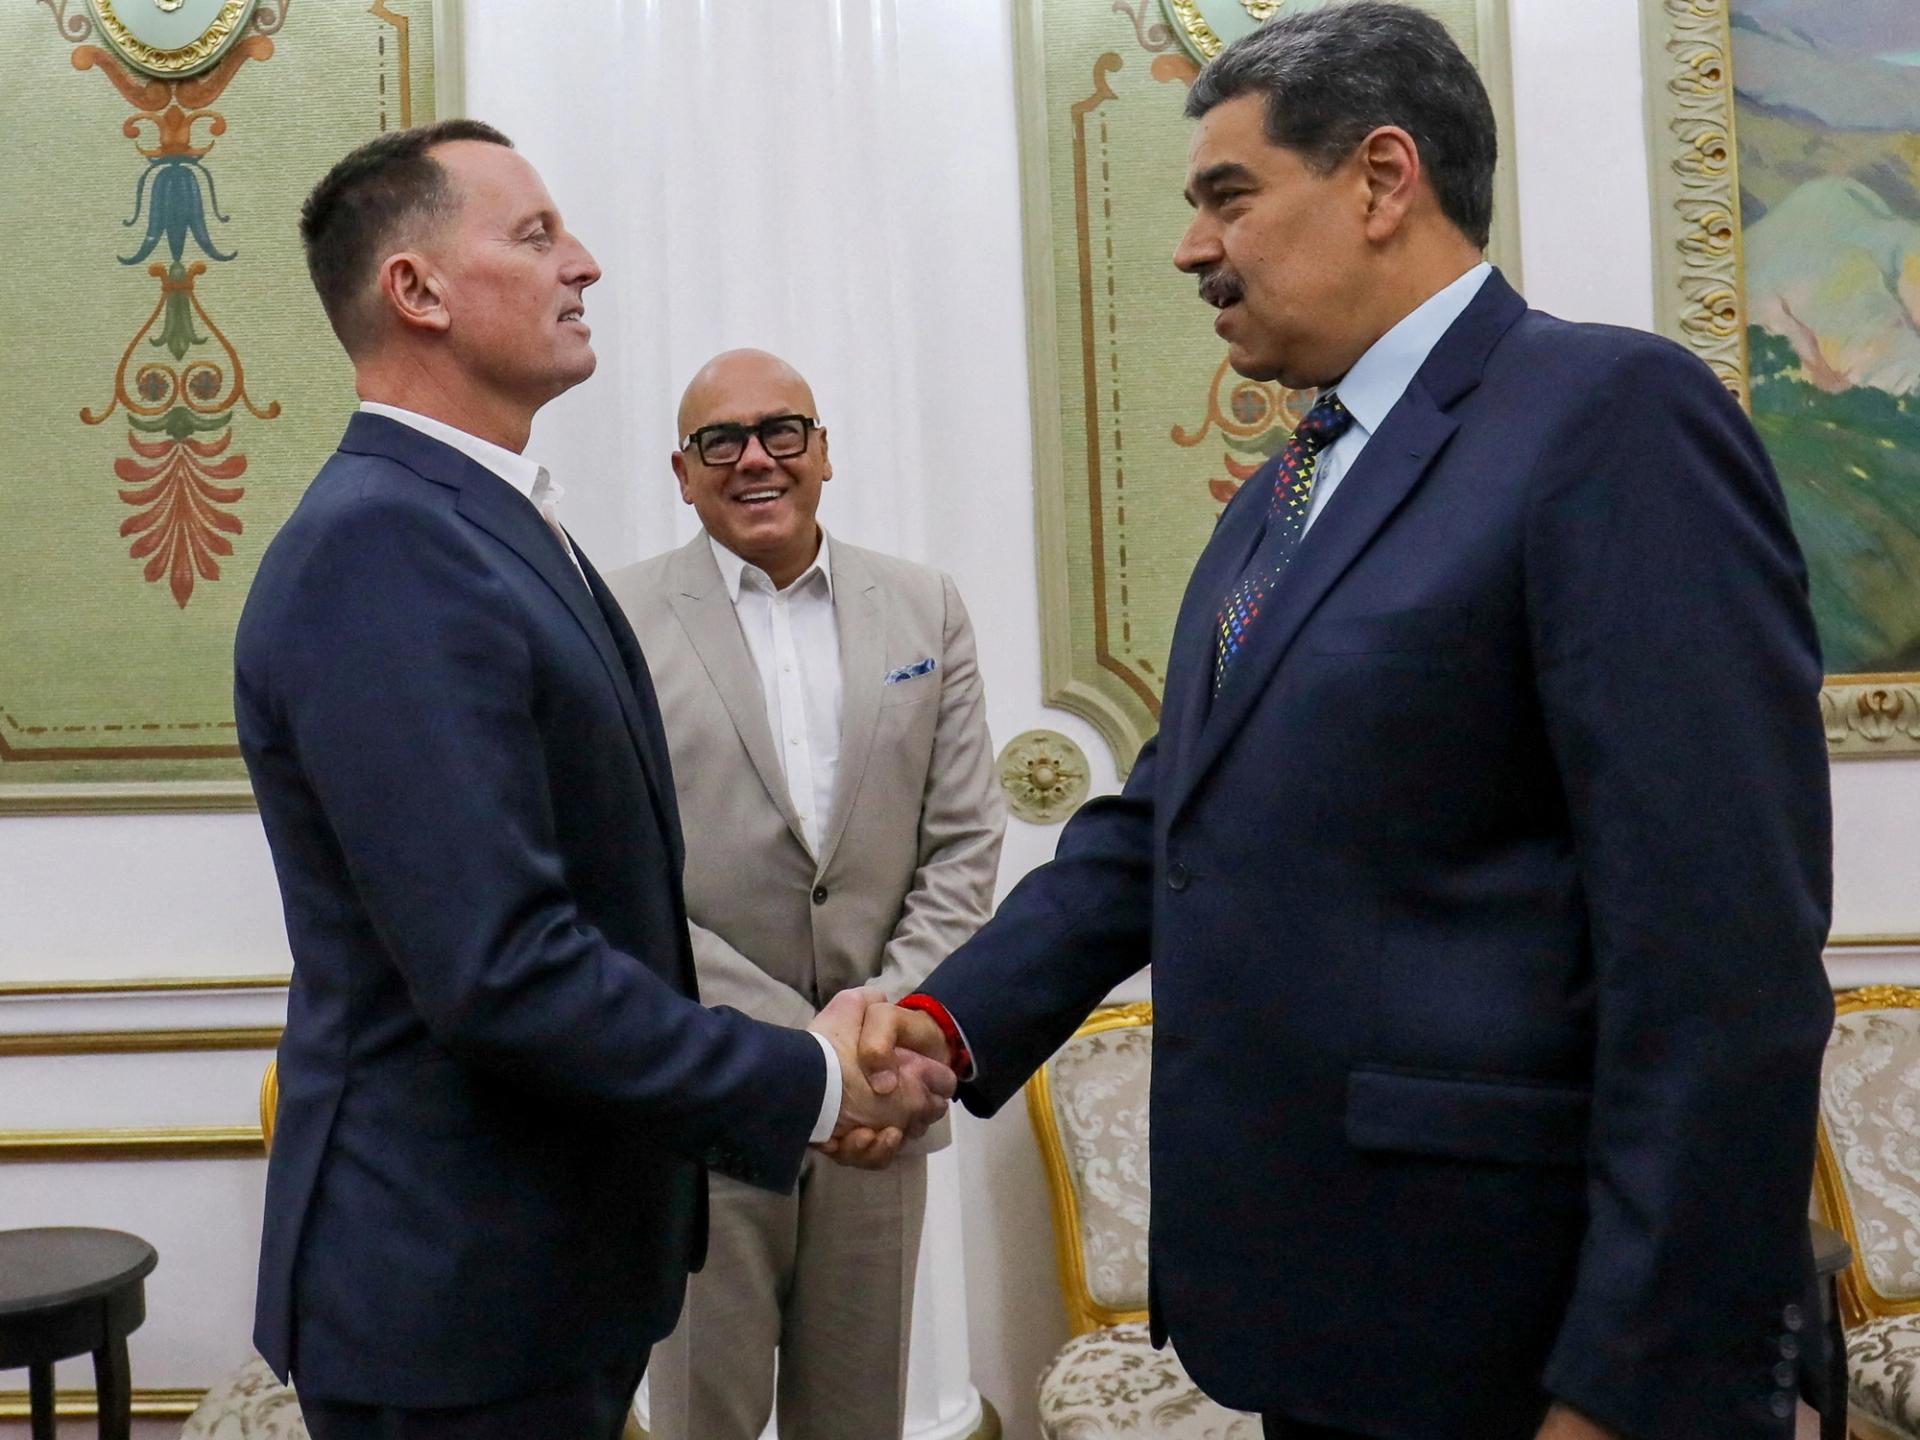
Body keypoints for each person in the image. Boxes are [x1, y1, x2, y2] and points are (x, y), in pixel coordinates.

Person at [855, 6, 1834, 1438]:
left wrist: (1634, 1381)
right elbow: (1160, 825)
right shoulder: (1281, 496)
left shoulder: (1612, 417)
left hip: (1527, 1340)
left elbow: (1722, 952)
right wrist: (946, 1020)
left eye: (1227, 197)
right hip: (1329, 1326)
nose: (1193, 249)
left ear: (1383, 179)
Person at [234, 121, 948, 1440]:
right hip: (455, 1296)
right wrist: (813, 1080)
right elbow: (502, 967)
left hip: (544, 1271)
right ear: (420, 291)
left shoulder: (487, 527)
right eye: (536, 234)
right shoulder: (386, 549)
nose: (587, 264)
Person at [606, 348, 1005, 1439]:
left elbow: (965, 843)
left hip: (886, 1101)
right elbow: (623, 879)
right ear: (680, 474)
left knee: (860, 1422)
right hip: (710, 1097)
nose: (754, 460)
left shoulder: (926, 608)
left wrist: (879, 1043)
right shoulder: (615, 618)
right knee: (706, 1422)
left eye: (782, 431)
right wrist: (811, 1061)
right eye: (717, 442)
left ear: (822, 450)